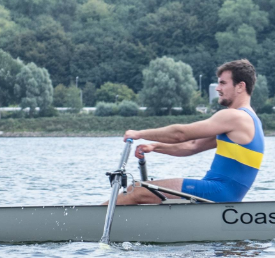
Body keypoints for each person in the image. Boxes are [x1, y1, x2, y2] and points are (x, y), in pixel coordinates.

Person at [113, 59, 264, 205]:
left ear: (240, 86)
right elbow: (192, 145)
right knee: (143, 191)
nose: (218, 88)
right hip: (222, 194)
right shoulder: (251, 120)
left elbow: (181, 134)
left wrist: (140, 133)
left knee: (135, 190)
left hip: (217, 191)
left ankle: (93, 224)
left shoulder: (234, 116)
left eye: (223, 83)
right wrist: (155, 147)